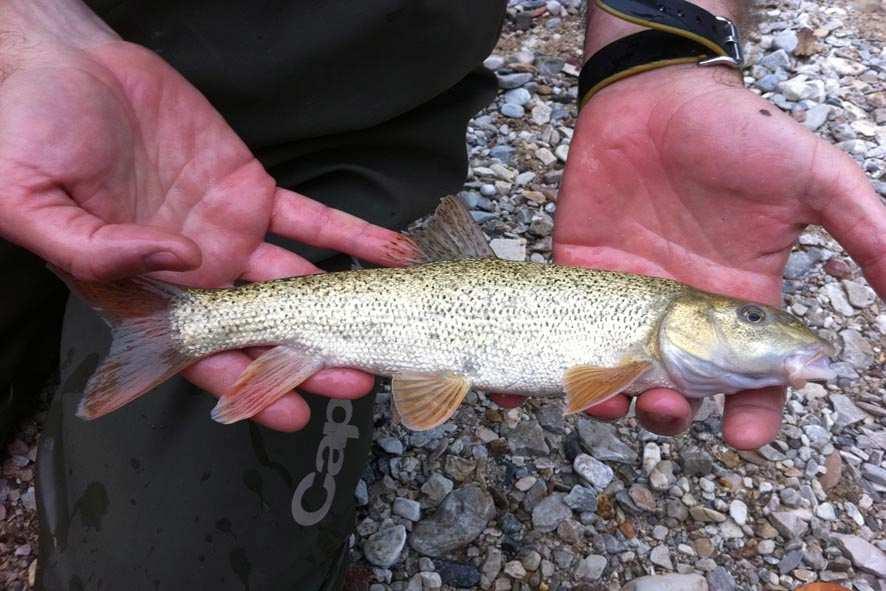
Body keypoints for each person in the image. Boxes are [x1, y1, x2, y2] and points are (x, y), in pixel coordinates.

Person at [0, 0, 882, 589]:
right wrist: (31, 36)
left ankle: (167, 324)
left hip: (352, 134)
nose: (764, 327)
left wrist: (661, 51)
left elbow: (587, 384)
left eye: (752, 318)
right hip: (55, 90)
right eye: (753, 319)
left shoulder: (644, 332)